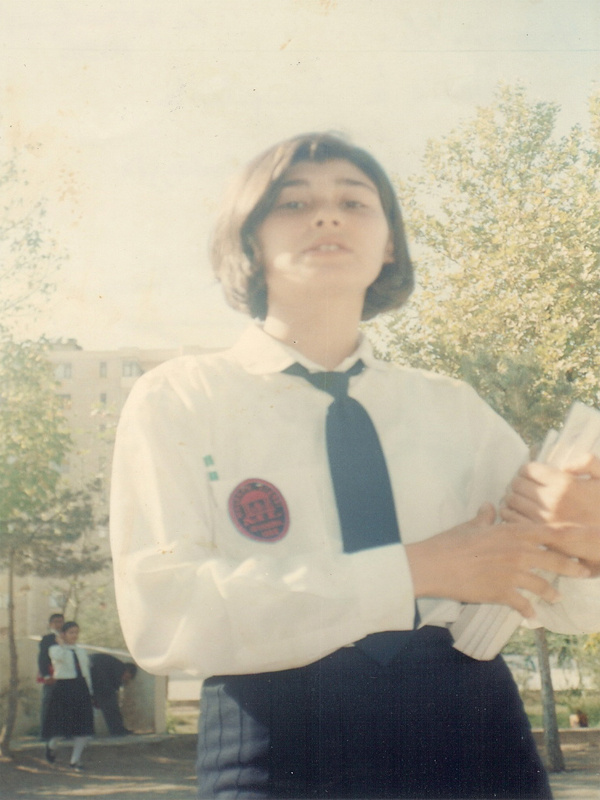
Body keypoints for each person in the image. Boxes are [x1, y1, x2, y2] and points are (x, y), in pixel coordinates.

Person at [110, 133, 600, 799]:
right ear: (248, 238)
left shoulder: (453, 407)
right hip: (278, 742)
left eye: (354, 202)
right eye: (293, 203)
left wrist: (583, 541)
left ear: (389, 243)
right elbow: (165, 617)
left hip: (472, 733)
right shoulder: (181, 398)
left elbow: (557, 601)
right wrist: (414, 571)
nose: (327, 216)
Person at [42, 621, 94, 771]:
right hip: (64, 688)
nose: (74, 635)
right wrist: (62, 645)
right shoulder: (55, 649)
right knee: (61, 727)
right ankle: (51, 746)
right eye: (71, 632)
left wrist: (90, 690)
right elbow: (59, 659)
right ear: (63, 634)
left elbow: (86, 672)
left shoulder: (81, 651)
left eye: (76, 632)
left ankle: (75, 761)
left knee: (83, 727)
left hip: (81, 688)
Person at [89, 653, 137, 735]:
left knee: (109, 704)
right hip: (100, 681)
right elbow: (112, 685)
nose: (125, 680)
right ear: (127, 671)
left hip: (93, 676)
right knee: (111, 706)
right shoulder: (120, 668)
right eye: (127, 677)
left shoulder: (114, 665)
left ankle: (117, 730)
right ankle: (118, 731)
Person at [37, 612, 64, 735]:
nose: (59, 624)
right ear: (50, 624)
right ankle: (45, 733)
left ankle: (62, 732)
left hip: (65, 675)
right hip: (51, 675)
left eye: (61, 622)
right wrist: (46, 675)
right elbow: (42, 658)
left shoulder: (66, 637)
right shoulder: (47, 639)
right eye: (56, 622)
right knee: (48, 703)